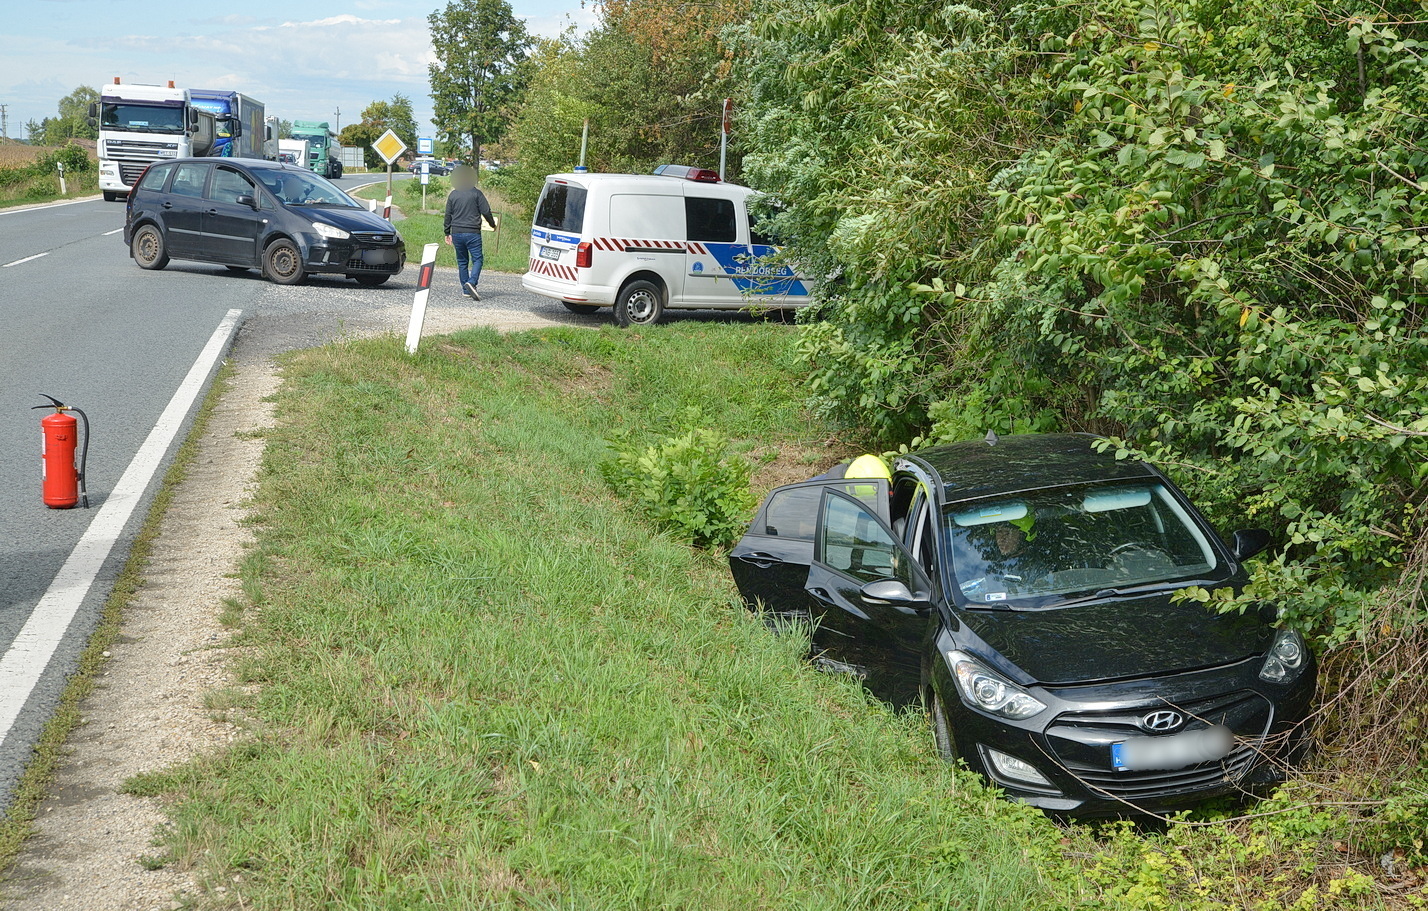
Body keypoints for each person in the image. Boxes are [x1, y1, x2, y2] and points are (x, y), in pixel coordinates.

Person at [443, 165, 498, 300]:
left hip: (456, 232)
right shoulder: (476, 194)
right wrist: (492, 224)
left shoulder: (453, 195)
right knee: (478, 259)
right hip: (473, 233)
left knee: (462, 262)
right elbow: (486, 211)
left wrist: (447, 232)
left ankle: (466, 290)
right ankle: (472, 282)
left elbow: (448, 215)